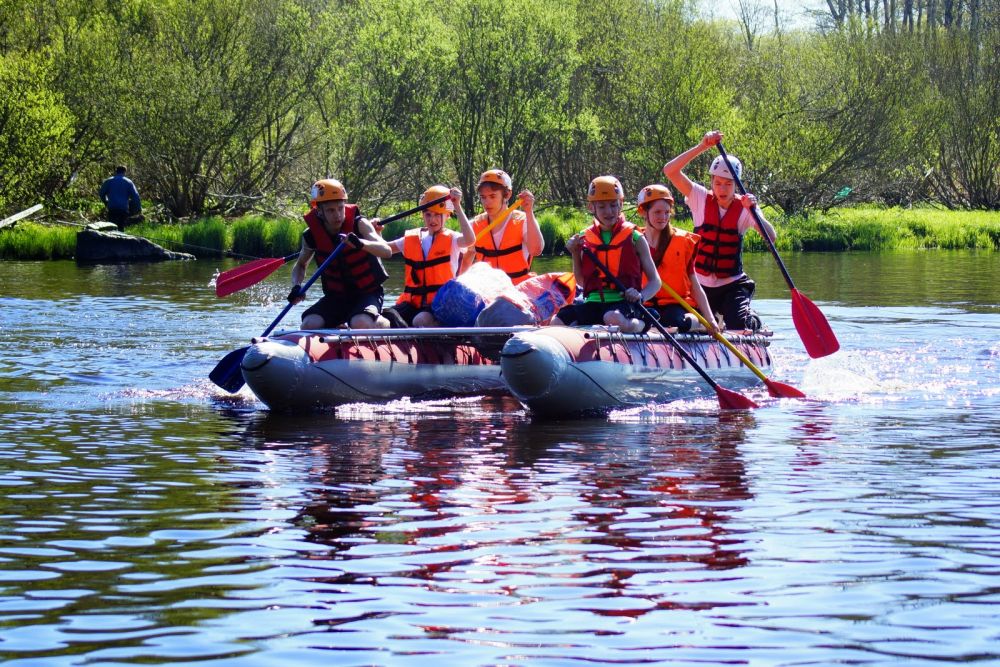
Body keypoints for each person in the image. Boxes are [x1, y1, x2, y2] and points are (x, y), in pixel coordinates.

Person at [662, 130, 776, 331]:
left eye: (728, 184)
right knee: (681, 321)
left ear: (736, 185)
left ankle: (751, 320)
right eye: (718, 183)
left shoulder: (746, 206)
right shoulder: (699, 198)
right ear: (712, 182)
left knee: (739, 323)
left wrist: (754, 211)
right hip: (698, 286)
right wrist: (702, 146)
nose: (722, 189)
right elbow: (670, 171)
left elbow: (771, 238)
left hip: (732, 285)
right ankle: (709, 321)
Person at [550, 176, 661, 333]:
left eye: (613, 205)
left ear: (621, 204)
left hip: (624, 303)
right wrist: (575, 252)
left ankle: (644, 323)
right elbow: (581, 282)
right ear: (591, 207)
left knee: (612, 317)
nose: (608, 211)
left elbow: (655, 281)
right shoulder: (583, 239)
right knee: (557, 321)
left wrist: (640, 296)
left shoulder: (635, 238)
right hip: (593, 303)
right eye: (602, 207)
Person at [288, 178, 391, 329]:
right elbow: (301, 265)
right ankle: (341, 326)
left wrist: (361, 243)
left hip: (368, 293)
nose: (337, 215)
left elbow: (387, 251)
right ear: (319, 211)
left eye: (340, 208)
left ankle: (387, 322)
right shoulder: (311, 236)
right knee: (309, 324)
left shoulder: (359, 224)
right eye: (331, 210)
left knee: (360, 323)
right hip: (336, 297)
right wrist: (296, 286)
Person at [376, 185, 476, 327]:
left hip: (440, 304)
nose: (432, 219)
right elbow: (385, 249)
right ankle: (406, 335)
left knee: (420, 320)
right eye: (428, 214)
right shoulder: (411, 238)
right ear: (422, 215)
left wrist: (457, 206)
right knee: (385, 318)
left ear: (447, 216)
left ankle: (424, 331)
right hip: (412, 303)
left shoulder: (453, 239)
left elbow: (470, 240)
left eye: (437, 215)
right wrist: (377, 232)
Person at [636, 183, 720, 334]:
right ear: (643, 212)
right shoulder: (634, 241)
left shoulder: (682, 242)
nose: (663, 217)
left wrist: (710, 319)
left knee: (674, 320)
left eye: (667, 212)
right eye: (657, 212)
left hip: (676, 305)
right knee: (644, 318)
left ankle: (700, 322)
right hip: (646, 304)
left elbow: (695, 286)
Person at [460, 169, 543, 284]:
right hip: (488, 291)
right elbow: (465, 262)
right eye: (483, 197)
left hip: (518, 290)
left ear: (507, 195)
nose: (487, 202)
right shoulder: (474, 225)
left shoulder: (524, 221)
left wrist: (529, 211)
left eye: (492, 196)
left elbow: (536, 250)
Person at [98, 165, 142, 230]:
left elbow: (101, 194)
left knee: (111, 227)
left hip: (112, 208)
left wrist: (106, 202)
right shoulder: (128, 182)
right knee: (121, 227)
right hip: (123, 208)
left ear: (116, 171)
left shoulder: (108, 181)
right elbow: (135, 196)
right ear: (124, 172)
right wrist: (138, 208)